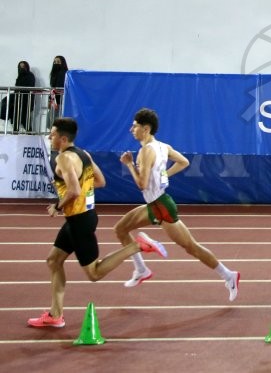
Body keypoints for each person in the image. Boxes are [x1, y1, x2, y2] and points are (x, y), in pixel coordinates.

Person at [27, 118, 168, 328]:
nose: (50, 137)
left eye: (53, 134)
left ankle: (137, 245)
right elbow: (101, 181)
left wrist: (57, 206)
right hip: (81, 217)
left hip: (79, 221)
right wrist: (77, 190)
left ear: (63, 139)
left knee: (94, 273)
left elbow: (74, 190)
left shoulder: (64, 159)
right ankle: (55, 315)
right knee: (53, 261)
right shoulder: (84, 154)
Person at [114, 108, 240, 300]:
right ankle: (141, 269)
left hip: (162, 207)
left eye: (135, 126)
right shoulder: (163, 146)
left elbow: (142, 184)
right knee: (121, 229)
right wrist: (165, 174)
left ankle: (228, 275)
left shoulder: (145, 152)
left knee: (191, 247)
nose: (131, 129)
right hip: (155, 204)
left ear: (146, 129)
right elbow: (184, 162)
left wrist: (129, 164)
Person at [12, 60, 36, 132]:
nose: (22, 68)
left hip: (27, 100)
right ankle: (15, 132)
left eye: (23, 66)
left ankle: (30, 134)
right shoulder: (19, 76)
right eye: (20, 66)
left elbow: (29, 86)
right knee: (16, 117)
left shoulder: (30, 75)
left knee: (26, 119)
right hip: (18, 99)